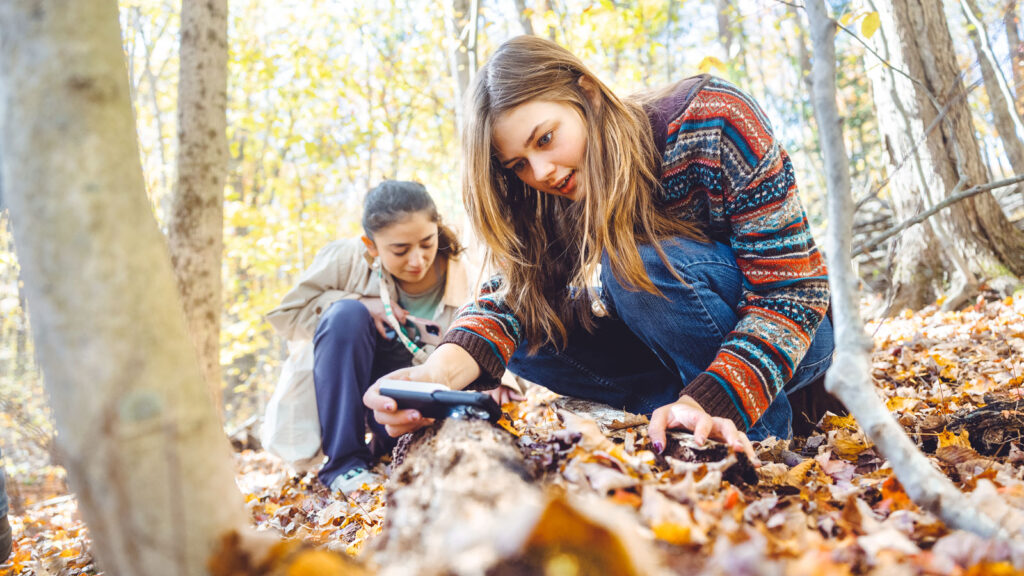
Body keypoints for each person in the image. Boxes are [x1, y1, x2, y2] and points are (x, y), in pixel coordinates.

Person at [365, 36, 837, 460]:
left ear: (586, 92)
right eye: (518, 165)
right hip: (676, 356)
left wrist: (710, 401)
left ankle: (750, 439)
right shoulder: (551, 192)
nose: (542, 172)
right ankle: (675, 417)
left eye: (545, 139)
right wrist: (436, 377)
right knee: (530, 327)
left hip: (794, 341)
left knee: (637, 267)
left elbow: (795, 292)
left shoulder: (714, 120)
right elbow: (508, 298)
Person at [268, 180, 511, 493]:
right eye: (400, 250)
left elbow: (489, 326)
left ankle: (388, 449)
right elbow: (287, 317)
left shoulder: (467, 275)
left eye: (426, 243)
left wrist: (503, 383)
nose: (417, 260)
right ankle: (344, 464)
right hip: (348, 379)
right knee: (346, 316)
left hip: (413, 388)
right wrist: (362, 303)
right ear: (371, 246)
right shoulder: (345, 260)